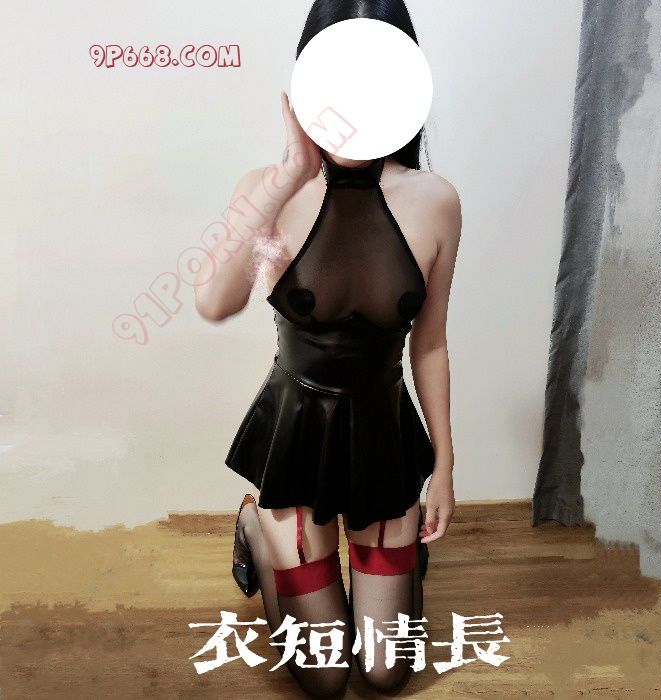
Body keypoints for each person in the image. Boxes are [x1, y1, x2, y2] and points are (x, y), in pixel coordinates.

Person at [195, 2, 461, 694]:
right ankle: (257, 523)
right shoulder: (269, 190)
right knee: (324, 680)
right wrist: (289, 174)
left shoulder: (434, 200)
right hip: (297, 435)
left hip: (383, 435)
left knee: (385, 671)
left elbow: (430, 343)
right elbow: (215, 300)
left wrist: (444, 465)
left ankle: (380, 563)